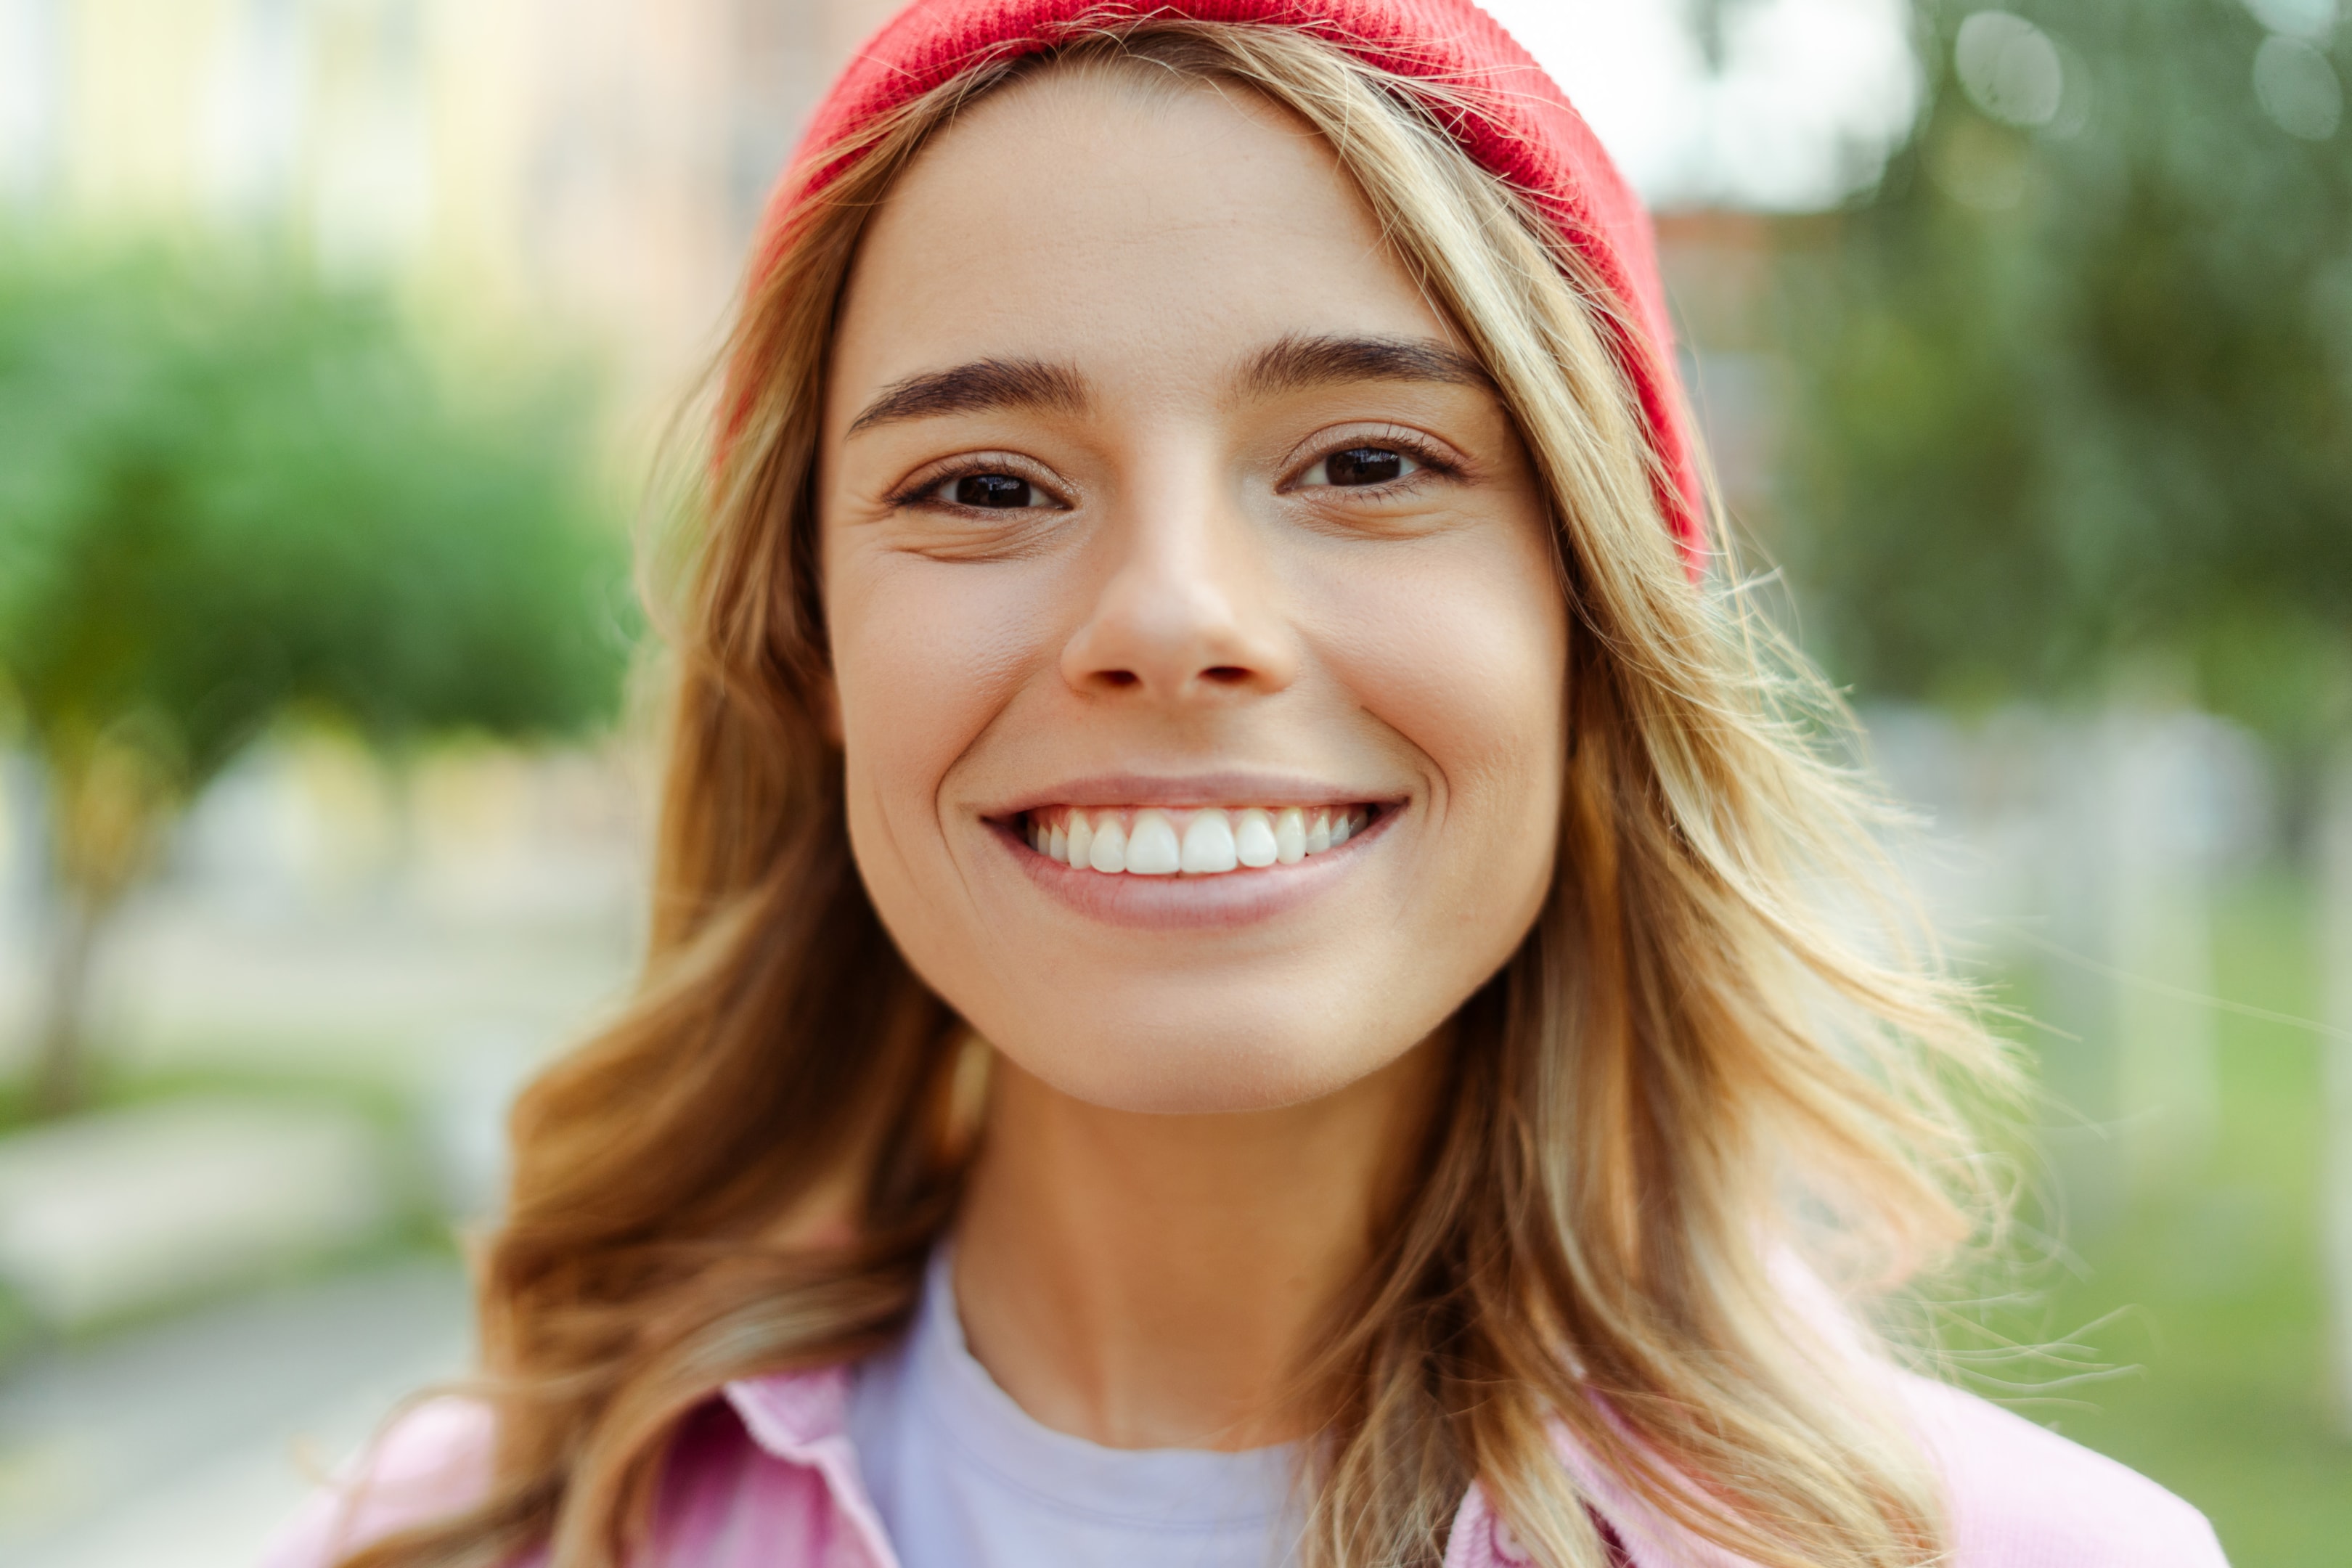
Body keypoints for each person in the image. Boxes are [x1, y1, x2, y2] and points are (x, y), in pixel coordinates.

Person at [264, 2, 2230, 1565]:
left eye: (1369, 462)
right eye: (982, 485)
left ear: (1592, 629)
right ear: (811, 663)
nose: (1178, 617)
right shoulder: (451, 1545)